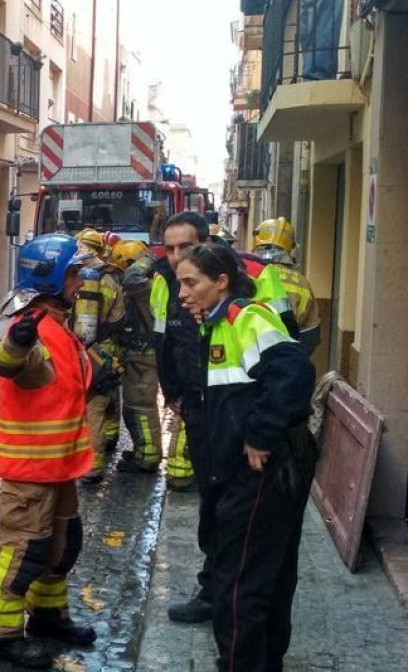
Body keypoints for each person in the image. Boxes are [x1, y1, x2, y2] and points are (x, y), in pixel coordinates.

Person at [174, 243, 317, 672]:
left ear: (221, 282)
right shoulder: (215, 324)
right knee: (265, 575)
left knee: (238, 582)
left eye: (190, 282)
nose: (182, 293)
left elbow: (294, 371)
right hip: (249, 471)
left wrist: (259, 434)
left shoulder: (246, 317)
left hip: (262, 471)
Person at [150, 211, 297, 625]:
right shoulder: (167, 280)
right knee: (212, 500)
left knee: (240, 508)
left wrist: (262, 425)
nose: (176, 258)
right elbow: (164, 339)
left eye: (185, 248)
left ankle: (237, 595)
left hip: (239, 411)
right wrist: (174, 391)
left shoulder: (254, 276)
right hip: (200, 408)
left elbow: (283, 346)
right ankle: (217, 585)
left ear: (208, 246)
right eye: (170, 248)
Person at [0, 234, 97, 669]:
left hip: (61, 467)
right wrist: (17, 344)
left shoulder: (59, 324)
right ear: (50, 276)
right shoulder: (29, 328)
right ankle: (1, 635)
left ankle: (48, 616)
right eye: (73, 272)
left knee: (60, 547)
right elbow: (8, 363)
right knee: (23, 551)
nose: (81, 279)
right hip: (31, 470)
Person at [70, 229, 126, 482]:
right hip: (111, 347)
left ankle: (93, 466)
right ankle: (111, 437)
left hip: (93, 349)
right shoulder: (110, 275)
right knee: (109, 396)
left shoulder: (89, 278)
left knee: (92, 406)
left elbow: (86, 324)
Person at [109, 240, 163, 474]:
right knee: (133, 407)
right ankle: (142, 451)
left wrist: (148, 259)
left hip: (144, 355)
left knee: (140, 406)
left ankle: (148, 458)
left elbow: (131, 277)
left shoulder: (144, 286)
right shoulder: (147, 284)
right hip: (137, 352)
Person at [253, 217, 322, 354]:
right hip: (288, 360)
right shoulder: (302, 282)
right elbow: (311, 334)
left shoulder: (245, 274)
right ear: (290, 247)